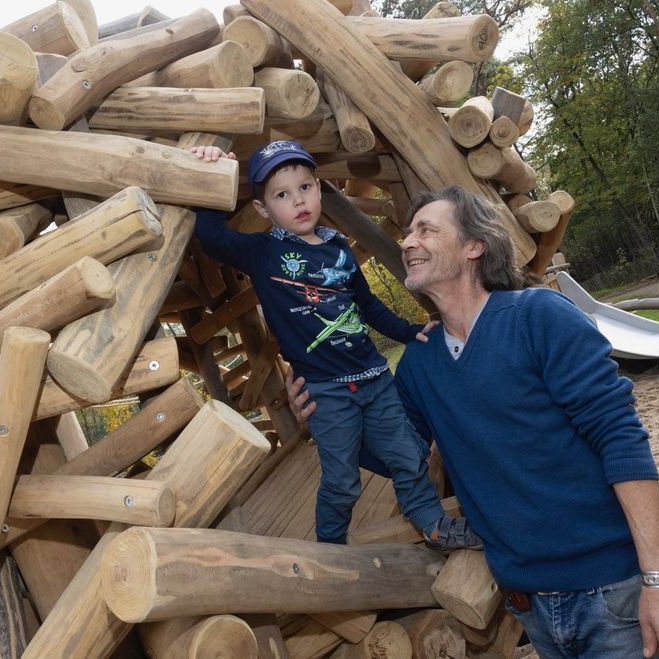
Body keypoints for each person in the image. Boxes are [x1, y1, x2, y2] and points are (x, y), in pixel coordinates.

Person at [286, 185, 659, 659]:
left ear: (473, 246)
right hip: (527, 603)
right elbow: (401, 457)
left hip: (611, 593)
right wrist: (325, 424)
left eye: (426, 229)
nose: (407, 243)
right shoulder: (420, 365)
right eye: (407, 233)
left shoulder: (538, 316)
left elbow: (621, 438)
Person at [190, 140, 480, 550]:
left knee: (408, 457)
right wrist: (211, 172)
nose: (298, 200)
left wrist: (406, 330)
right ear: (262, 210)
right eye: (282, 195)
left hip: (375, 379)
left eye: (305, 187)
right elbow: (211, 236)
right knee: (342, 480)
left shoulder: (339, 249)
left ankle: (433, 525)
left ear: (319, 189)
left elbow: (366, 304)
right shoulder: (262, 253)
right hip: (326, 391)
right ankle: (330, 548)